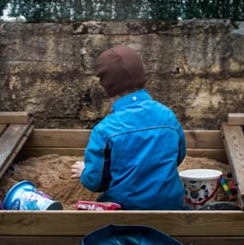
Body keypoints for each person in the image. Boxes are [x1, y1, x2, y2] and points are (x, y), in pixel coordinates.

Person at [70, 45, 186, 210]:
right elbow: (178, 157)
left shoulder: (105, 130)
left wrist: (84, 172)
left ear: (106, 87)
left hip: (125, 211)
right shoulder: (168, 116)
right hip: (171, 207)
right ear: (143, 77)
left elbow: (95, 182)